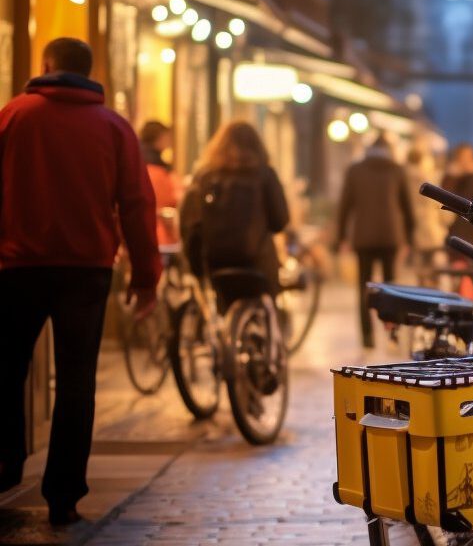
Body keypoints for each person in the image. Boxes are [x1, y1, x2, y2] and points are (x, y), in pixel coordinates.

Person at [0, 38, 161, 525]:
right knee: (75, 383)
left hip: (16, 268)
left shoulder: (12, 116)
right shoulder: (113, 127)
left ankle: (6, 464)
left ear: (46, 66)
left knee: (5, 371)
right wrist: (146, 276)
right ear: (89, 71)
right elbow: (136, 203)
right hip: (87, 270)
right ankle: (63, 495)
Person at [180, 121, 290, 310]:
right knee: (268, 307)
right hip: (258, 263)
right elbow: (279, 221)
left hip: (216, 262)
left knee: (221, 308)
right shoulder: (265, 174)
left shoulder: (205, 176)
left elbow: (191, 222)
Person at [333, 134, 414, 348]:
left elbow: (344, 207)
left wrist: (340, 237)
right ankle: (391, 334)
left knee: (365, 287)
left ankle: (367, 337)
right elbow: (407, 208)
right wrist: (410, 238)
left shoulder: (355, 170)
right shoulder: (397, 170)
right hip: (391, 236)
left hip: (364, 237)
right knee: (391, 288)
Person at [406, 148, 447, 287]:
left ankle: (423, 290)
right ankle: (433, 294)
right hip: (432, 229)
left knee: (420, 269)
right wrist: (446, 221)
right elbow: (439, 204)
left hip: (414, 229)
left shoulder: (404, 178)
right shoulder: (429, 179)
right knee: (434, 268)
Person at [139, 120, 181, 247]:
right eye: (167, 137)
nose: (169, 142)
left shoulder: (139, 162)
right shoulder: (156, 169)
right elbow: (167, 199)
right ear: (158, 138)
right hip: (159, 233)